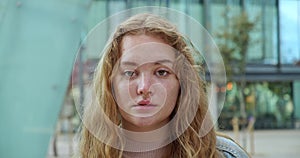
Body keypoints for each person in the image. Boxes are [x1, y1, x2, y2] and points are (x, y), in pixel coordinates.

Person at [78, 13, 249, 158]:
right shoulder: (91, 154)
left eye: (161, 72)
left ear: (182, 83)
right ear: (110, 84)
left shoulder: (225, 155)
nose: (144, 87)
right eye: (130, 73)